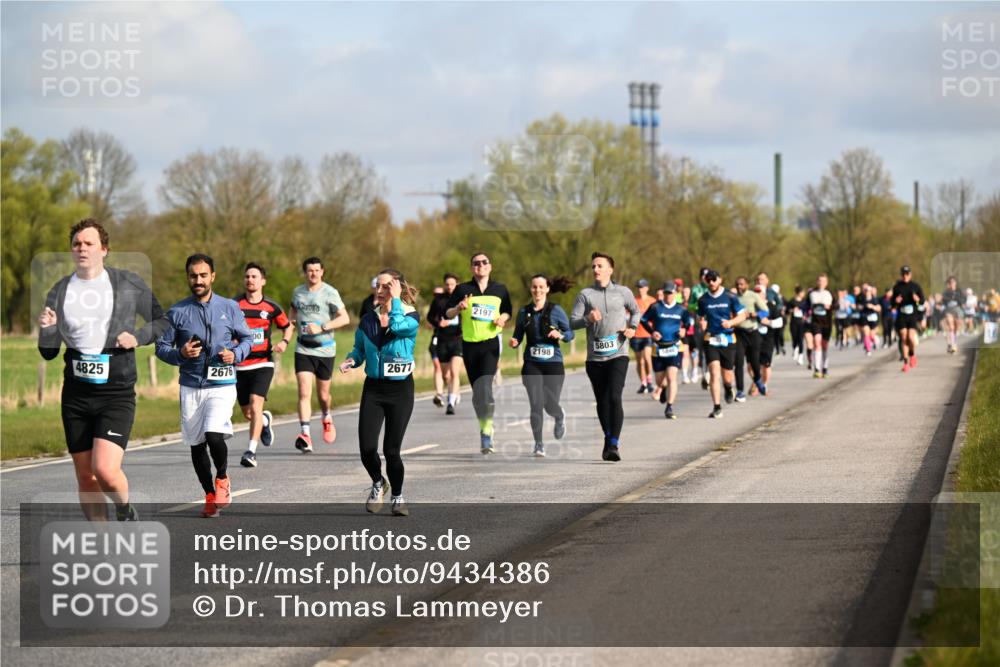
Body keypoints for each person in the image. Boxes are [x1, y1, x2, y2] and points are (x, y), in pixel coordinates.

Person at [38, 219, 168, 521]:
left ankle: (124, 508)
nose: (81, 248)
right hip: (76, 394)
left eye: (89, 243)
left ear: (104, 249)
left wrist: (137, 337)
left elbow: (162, 321)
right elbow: (48, 352)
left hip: (115, 393)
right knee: (86, 476)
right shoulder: (59, 291)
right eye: (76, 244)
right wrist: (48, 330)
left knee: (105, 471)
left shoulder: (128, 283)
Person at [156, 254, 252, 518]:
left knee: (213, 434)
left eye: (203, 275)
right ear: (188, 277)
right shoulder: (177, 312)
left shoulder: (229, 307)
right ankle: (209, 494)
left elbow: (247, 339)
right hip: (191, 385)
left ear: (213, 276)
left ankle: (222, 478)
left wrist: (236, 354)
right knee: (196, 444)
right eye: (193, 276)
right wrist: (180, 353)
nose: (198, 280)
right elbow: (161, 347)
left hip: (222, 383)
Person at [340, 269, 420, 517]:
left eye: (386, 286)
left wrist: (395, 302)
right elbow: (359, 349)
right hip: (374, 389)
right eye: (378, 286)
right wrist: (352, 360)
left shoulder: (410, 316)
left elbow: (397, 326)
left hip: (400, 390)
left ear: (397, 287)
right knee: (366, 449)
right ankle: (378, 482)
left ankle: (398, 496)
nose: (380, 290)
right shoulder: (368, 319)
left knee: (392, 451)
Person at [570, 251, 641, 460]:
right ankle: (608, 437)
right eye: (593, 266)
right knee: (602, 400)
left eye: (600, 266)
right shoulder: (585, 295)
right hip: (595, 358)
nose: (595, 269)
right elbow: (572, 322)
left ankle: (614, 444)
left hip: (618, 354)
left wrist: (632, 328)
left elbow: (635, 311)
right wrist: (588, 319)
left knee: (614, 396)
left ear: (610, 269)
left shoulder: (623, 292)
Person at [444, 252, 512, 454]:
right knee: (477, 393)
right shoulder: (462, 289)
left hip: (490, 344)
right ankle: (484, 424)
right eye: (476, 263)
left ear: (490, 266)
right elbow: (447, 313)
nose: (480, 265)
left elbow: (508, 310)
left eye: (484, 262)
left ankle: (486, 431)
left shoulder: (500, 289)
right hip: (470, 345)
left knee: (485, 387)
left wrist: (502, 319)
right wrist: (458, 308)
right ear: (471, 268)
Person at [235, 263, 293, 468]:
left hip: (263, 363)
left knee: (255, 403)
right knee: (248, 413)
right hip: (240, 365)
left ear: (263, 281)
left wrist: (284, 342)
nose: (250, 280)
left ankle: (250, 451)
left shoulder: (271, 307)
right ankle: (265, 421)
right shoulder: (234, 305)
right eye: (247, 276)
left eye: (254, 276)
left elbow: (288, 327)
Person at [289, 257, 350, 452]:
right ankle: (305, 434)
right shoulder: (298, 292)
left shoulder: (330, 292)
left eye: (316, 270)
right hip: (303, 348)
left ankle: (326, 416)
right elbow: (292, 313)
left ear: (322, 271)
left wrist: (322, 327)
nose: (313, 274)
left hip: (325, 349)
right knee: (304, 392)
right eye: (310, 270)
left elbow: (345, 318)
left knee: (323, 396)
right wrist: (288, 331)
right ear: (305, 272)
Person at [510, 274, 574, 456]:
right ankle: (538, 444)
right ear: (531, 289)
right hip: (532, 364)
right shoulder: (524, 312)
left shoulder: (556, 310)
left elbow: (570, 334)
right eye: (534, 287)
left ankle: (559, 416)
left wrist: (561, 335)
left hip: (553, 364)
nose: (537, 290)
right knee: (536, 404)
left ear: (547, 289)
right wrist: (514, 341)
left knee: (549, 404)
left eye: (540, 287)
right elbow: (517, 335)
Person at [697, 270, 748, 418]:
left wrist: (731, 322)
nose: (711, 282)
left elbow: (742, 315)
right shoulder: (703, 299)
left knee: (727, 376)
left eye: (714, 279)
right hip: (711, 338)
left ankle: (728, 387)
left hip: (728, 339)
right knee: (714, 373)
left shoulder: (730, 296)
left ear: (720, 280)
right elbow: (701, 316)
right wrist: (702, 323)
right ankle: (717, 407)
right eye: (709, 280)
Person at [641, 281, 692, 419]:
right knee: (660, 381)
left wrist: (684, 329)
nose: (668, 295)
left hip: (675, 347)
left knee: (671, 376)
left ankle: (669, 407)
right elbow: (643, 320)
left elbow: (688, 322)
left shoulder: (681, 309)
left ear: (675, 293)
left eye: (670, 293)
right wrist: (652, 332)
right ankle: (663, 389)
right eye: (666, 293)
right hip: (658, 348)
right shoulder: (655, 307)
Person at [426, 273, 464, 414]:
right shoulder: (439, 300)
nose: (449, 287)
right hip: (442, 340)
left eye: (452, 284)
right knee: (445, 375)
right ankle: (454, 392)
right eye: (447, 284)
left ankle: (451, 403)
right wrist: (438, 323)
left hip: (457, 340)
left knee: (454, 372)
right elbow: (430, 317)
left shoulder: (463, 299)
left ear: (457, 285)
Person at [734, 276, 769, 400]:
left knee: (754, 362)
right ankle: (740, 391)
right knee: (738, 363)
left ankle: (758, 380)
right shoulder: (733, 298)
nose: (739, 286)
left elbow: (766, 311)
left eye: (742, 284)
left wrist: (755, 314)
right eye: (737, 284)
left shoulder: (753, 296)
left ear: (747, 285)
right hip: (739, 333)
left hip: (752, 333)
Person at [892, 265, 925, 372]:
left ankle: (912, 355)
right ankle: (905, 363)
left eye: (907, 274)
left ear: (910, 274)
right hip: (902, 315)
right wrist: (895, 301)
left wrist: (917, 299)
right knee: (903, 337)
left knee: (910, 337)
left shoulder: (915, 286)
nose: (905, 276)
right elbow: (892, 304)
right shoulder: (897, 287)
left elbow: (922, 301)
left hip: (912, 315)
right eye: (903, 274)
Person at [755, 272, 783, 390]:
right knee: (752, 364)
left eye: (760, 293)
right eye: (756, 293)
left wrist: (768, 322)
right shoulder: (751, 306)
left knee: (766, 364)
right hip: (754, 337)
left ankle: (764, 385)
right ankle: (757, 383)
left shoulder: (771, 304)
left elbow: (780, 321)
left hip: (768, 337)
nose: (758, 295)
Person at [806, 274, 836, 378]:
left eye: (823, 281)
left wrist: (830, 307)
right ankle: (817, 369)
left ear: (826, 283)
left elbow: (836, 305)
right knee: (817, 342)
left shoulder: (830, 293)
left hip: (827, 322)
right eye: (819, 280)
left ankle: (825, 368)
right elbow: (806, 305)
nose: (821, 283)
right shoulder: (812, 293)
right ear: (817, 282)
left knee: (824, 345)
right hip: (816, 322)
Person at [630, 279, 657, 393]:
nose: (640, 289)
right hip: (636, 335)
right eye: (638, 287)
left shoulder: (652, 301)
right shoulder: (633, 301)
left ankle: (649, 381)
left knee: (647, 357)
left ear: (647, 288)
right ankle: (643, 383)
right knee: (639, 361)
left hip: (648, 334)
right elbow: (627, 316)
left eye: (642, 287)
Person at [857, 283, 882, 356]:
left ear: (870, 291)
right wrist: (860, 307)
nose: (866, 292)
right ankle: (868, 350)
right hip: (865, 317)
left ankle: (874, 340)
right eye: (865, 290)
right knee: (866, 333)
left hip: (873, 318)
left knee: (872, 335)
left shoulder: (874, 299)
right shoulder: (862, 299)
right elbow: (858, 306)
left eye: (868, 291)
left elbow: (879, 308)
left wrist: (872, 307)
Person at [941, 276, 964, 354]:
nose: (952, 284)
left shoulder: (959, 291)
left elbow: (963, 299)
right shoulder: (946, 292)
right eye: (950, 283)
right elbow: (943, 299)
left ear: (955, 283)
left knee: (956, 327)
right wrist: (949, 300)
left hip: (957, 309)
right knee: (951, 326)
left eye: (953, 282)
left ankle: (954, 341)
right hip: (949, 310)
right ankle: (953, 344)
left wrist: (959, 301)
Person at [787, 286, 807, 366]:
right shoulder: (792, 301)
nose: (803, 294)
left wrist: (805, 315)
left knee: (800, 339)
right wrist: (792, 310)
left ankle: (800, 357)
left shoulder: (804, 301)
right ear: (798, 293)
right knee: (794, 338)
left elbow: (807, 310)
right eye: (802, 292)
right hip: (793, 322)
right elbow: (787, 311)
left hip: (802, 322)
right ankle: (795, 348)